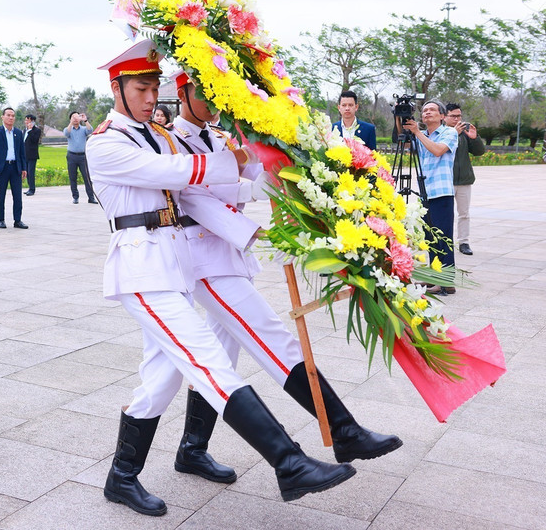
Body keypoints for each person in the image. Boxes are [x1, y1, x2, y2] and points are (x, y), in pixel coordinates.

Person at [87, 41, 354, 516]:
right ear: (117, 88)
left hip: (174, 268)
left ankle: (121, 477)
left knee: (162, 378)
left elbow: (204, 190)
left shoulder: (160, 136)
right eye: (142, 88)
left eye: (155, 88)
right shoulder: (106, 142)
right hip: (140, 271)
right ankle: (289, 462)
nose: (153, 98)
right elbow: (175, 171)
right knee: (208, 361)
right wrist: (246, 149)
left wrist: (270, 166)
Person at [168, 73, 401, 482]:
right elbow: (193, 197)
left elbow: (232, 186)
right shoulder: (172, 140)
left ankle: (191, 449)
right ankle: (344, 430)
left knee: (222, 355)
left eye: (216, 95)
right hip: (203, 258)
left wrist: (268, 179)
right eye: (203, 95)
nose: (213, 103)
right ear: (181, 92)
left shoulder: (218, 136)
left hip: (227, 255)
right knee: (272, 337)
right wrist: (260, 233)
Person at [403, 99, 458, 294]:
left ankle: (447, 281)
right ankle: (435, 277)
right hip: (424, 193)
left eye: (432, 110)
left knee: (444, 237)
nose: (427, 113)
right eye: (424, 110)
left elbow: (437, 151)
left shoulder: (449, 132)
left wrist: (417, 132)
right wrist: (399, 118)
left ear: (442, 116)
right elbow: (402, 139)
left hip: (442, 192)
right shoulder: (422, 135)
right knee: (430, 237)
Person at [444, 103, 485, 256]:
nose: (457, 119)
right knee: (445, 214)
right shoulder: (441, 132)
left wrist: (475, 138)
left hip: (464, 180)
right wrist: (453, 133)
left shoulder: (464, 133)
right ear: (445, 117)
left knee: (464, 213)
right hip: (446, 180)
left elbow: (479, 152)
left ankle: (464, 242)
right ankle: (444, 241)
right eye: (453, 116)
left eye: (459, 116)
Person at [0, 107, 28, 229]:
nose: (11, 118)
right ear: (2, 117)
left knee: (17, 196)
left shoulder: (18, 133)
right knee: (1, 195)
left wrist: (24, 168)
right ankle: (2, 219)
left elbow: (22, 153)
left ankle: (17, 220)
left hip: (15, 167)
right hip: (2, 167)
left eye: (13, 116)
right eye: (8, 115)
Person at [63, 111, 97, 205]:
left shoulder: (83, 129)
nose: (75, 119)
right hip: (71, 156)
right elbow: (66, 133)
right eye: (73, 117)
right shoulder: (68, 129)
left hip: (82, 156)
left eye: (77, 117)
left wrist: (85, 120)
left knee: (87, 177)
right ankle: (75, 197)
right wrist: (71, 122)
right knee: (73, 177)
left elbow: (90, 130)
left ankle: (91, 197)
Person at [23, 114, 41, 196]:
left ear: (32, 121)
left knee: (31, 172)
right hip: (25, 155)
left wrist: (30, 131)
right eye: (25, 120)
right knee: (26, 172)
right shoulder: (24, 130)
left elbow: (35, 140)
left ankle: (32, 189)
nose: (26, 122)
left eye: (27, 120)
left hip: (32, 155)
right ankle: (29, 187)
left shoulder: (36, 130)